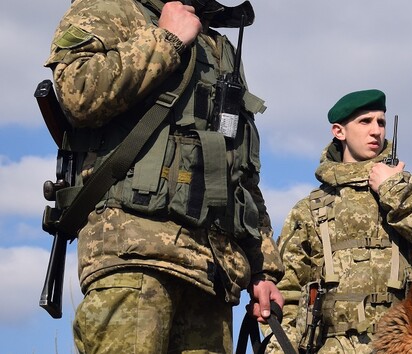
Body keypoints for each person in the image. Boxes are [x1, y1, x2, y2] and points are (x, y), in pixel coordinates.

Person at [44, 0, 284, 352]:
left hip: (212, 274)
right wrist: (166, 40)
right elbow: (77, 94)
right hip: (134, 253)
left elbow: (240, 171)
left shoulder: (219, 47)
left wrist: (264, 269)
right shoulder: (113, 7)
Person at [270, 89, 412, 353]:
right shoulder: (309, 209)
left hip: (404, 345)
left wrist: (392, 189)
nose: (376, 131)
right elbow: (287, 289)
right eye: (365, 121)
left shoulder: (407, 187)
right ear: (339, 131)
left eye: (381, 122)